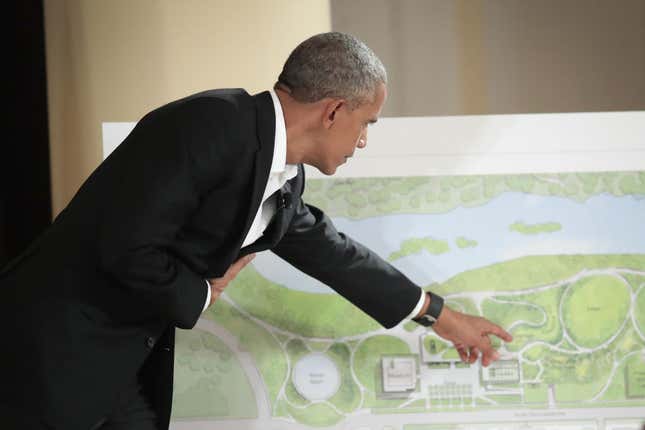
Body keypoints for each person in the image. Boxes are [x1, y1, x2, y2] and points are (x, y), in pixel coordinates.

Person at [0, 32, 512, 430]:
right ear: (334, 111)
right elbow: (125, 244)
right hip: (52, 352)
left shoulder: (283, 175)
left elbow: (334, 253)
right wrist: (200, 293)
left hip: (120, 362)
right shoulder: (209, 124)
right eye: (367, 123)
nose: (363, 141)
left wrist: (439, 316)